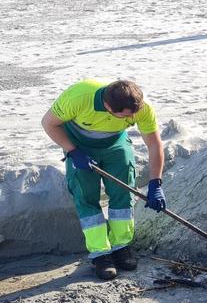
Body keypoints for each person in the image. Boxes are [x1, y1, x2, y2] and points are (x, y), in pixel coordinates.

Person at [40, 79, 165, 280]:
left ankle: (121, 246)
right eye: (126, 115)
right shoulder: (79, 97)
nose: (133, 118)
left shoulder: (140, 107)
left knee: (122, 194)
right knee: (86, 196)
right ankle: (100, 254)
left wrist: (155, 183)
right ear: (108, 107)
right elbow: (49, 123)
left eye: (134, 113)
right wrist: (73, 151)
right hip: (79, 145)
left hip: (115, 144)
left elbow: (154, 145)